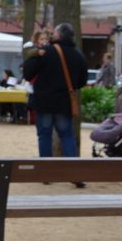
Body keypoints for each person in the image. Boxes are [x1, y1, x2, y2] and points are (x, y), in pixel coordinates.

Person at [23, 24, 86, 158]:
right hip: (64, 102)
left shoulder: (45, 51)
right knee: (67, 135)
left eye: (54, 33)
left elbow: (28, 73)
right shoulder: (78, 55)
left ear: (58, 35)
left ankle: (46, 170)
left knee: (45, 135)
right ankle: (72, 168)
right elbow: (82, 81)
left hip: (44, 101)